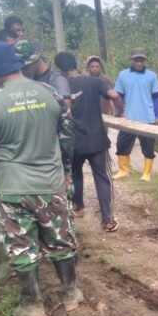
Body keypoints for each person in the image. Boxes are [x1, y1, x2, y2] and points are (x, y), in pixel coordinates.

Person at [0, 41, 79, 316]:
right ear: (17, 66)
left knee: (21, 245)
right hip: (50, 182)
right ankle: (71, 293)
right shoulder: (50, 92)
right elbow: (68, 137)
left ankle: (32, 306)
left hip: (11, 187)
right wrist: (66, 170)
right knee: (61, 238)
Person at [54, 52, 123, 231]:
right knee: (102, 178)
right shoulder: (95, 81)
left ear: (60, 69)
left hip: (74, 141)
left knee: (76, 174)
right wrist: (120, 112)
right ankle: (107, 219)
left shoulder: (60, 87)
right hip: (97, 140)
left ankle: (79, 207)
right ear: (76, 64)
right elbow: (114, 95)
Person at [112, 48, 158, 181]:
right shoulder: (123, 75)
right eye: (136, 60)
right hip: (128, 117)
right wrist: (118, 112)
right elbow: (119, 95)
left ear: (145, 61)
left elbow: (156, 97)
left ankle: (147, 173)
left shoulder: (152, 75)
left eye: (141, 61)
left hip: (147, 117)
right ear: (132, 60)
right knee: (122, 144)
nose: (139, 63)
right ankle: (124, 170)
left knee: (148, 147)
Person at [14, 40, 71, 106]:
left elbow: (66, 109)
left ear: (37, 60)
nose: (22, 70)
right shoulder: (27, 81)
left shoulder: (57, 80)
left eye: (25, 67)